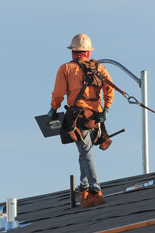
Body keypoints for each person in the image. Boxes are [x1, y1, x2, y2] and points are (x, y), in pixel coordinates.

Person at [48, 33, 114, 208]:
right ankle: (84, 187)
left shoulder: (66, 69)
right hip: (97, 117)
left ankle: (95, 189)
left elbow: (58, 94)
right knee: (84, 151)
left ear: (73, 52)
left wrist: (53, 110)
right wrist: (106, 109)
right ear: (88, 53)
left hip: (79, 116)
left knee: (86, 152)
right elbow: (110, 90)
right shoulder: (99, 68)